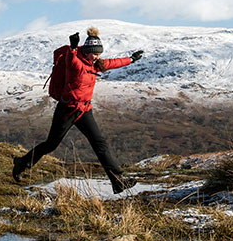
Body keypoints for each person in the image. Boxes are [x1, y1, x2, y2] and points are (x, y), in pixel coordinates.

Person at [12, 28, 142, 193]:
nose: (97, 57)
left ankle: (118, 181)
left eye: (99, 54)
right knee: (51, 144)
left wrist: (131, 59)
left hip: (84, 110)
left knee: (99, 142)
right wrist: (73, 48)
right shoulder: (75, 64)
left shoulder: (96, 64)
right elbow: (71, 59)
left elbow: (113, 63)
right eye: (94, 54)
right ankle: (22, 163)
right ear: (87, 52)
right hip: (67, 109)